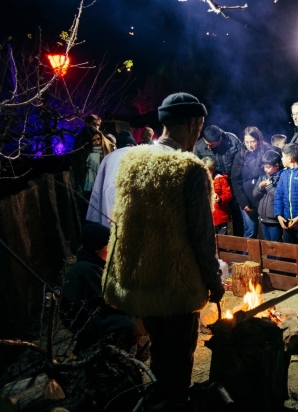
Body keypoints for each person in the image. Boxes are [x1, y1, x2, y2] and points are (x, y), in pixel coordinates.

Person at [102, 92, 223, 409]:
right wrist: (214, 282)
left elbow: (120, 221)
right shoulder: (191, 170)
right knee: (178, 364)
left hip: (141, 283)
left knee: (159, 354)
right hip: (176, 288)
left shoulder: (131, 160)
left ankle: (157, 399)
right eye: (199, 125)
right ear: (194, 124)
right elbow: (201, 237)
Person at [60, 223, 147, 356]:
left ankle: (132, 349)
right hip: (86, 321)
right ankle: (116, 353)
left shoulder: (93, 264)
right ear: (97, 248)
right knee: (130, 325)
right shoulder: (87, 269)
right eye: (109, 245)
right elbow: (103, 301)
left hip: (94, 314)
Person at [193, 125, 243, 236]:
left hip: (233, 183)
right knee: (218, 217)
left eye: (212, 144)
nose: (209, 147)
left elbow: (241, 160)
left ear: (220, 140)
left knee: (237, 214)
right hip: (215, 186)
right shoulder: (199, 147)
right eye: (207, 144)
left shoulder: (233, 141)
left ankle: (239, 246)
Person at [231, 126, 274, 239]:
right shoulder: (240, 155)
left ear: (259, 139)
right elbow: (236, 180)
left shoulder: (267, 152)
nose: (250, 145)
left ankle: (269, 257)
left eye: (253, 141)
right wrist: (243, 202)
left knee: (268, 234)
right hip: (247, 200)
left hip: (265, 199)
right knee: (250, 232)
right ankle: (248, 257)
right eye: (247, 142)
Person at [253, 150, 284, 242]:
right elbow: (255, 194)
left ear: (277, 166)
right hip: (263, 218)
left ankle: (277, 257)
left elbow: (279, 196)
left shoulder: (282, 178)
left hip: (274, 220)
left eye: (267, 167)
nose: (265, 169)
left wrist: (269, 186)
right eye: (264, 167)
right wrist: (260, 188)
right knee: (267, 244)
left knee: (275, 245)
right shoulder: (263, 177)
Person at [203, 157, 232, 235]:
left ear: (212, 169)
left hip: (220, 215)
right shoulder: (201, 182)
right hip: (208, 217)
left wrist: (220, 199)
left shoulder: (221, 179)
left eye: (208, 171)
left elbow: (228, 194)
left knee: (222, 240)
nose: (206, 173)